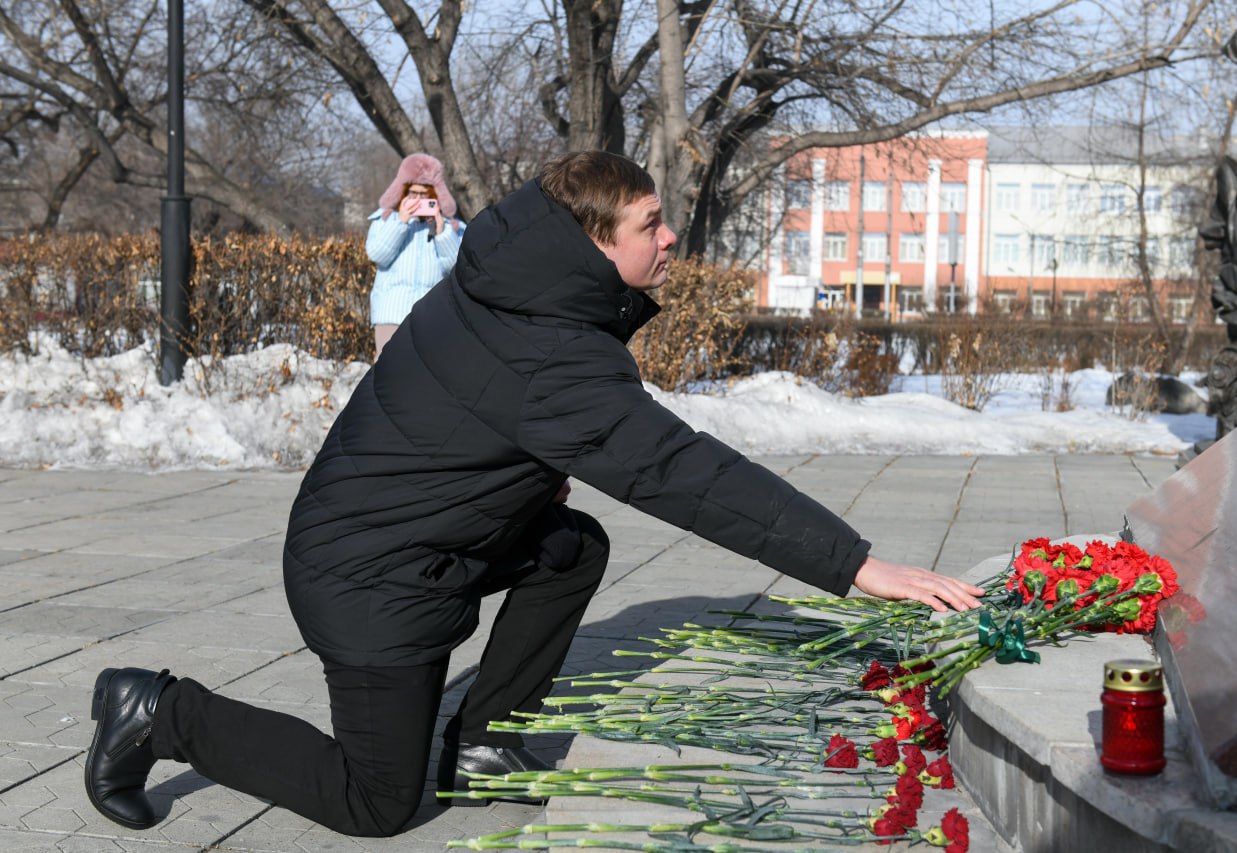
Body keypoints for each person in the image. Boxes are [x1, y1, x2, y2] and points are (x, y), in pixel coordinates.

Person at [84, 151, 983, 839]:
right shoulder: (547, 355)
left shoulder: (513, 283)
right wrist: (858, 564)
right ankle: (157, 711)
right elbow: (684, 473)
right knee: (379, 802)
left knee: (569, 544)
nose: (670, 237)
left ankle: (484, 741)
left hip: (404, 539)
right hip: (367, 577)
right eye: (651, 224)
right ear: (595, 243)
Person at [366, 152, 463, 359]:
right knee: (387, 373)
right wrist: (400, 223)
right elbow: (377, 254)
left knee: (426, 377)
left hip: (432, 316)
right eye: (413, 193)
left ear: (436, 196)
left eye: (425, 194)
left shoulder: (452, 228)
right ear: (402, 193)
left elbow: (456, 266)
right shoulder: (385, 220)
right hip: (391, 312)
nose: (418, 200)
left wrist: (442, 233)